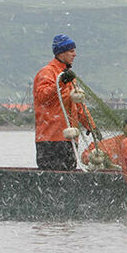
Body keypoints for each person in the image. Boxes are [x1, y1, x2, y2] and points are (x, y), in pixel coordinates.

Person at [32, 34, 94, 170]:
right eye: (71, 51)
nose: (75, 54)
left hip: (69, 138)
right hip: (50, 139)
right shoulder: (47, 73)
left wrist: (90, 125)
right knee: (52, 180)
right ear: (61, 52)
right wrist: (60, 83)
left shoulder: (69, 76)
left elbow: (78, 105)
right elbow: (42, 97)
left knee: (67, 177)